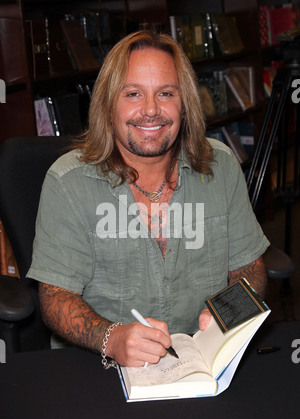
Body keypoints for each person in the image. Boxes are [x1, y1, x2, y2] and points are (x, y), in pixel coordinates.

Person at [27, 30, 270, 368]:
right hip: (98, 368)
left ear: (184, 104)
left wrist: (228, 315)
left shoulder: (221, 166)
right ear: (108, 104)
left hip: (201, 363)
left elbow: (250, 267)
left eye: (166, 93)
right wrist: (111, 338)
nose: (151, 110)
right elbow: (54, 297)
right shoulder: (67, 182)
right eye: (133, 94)